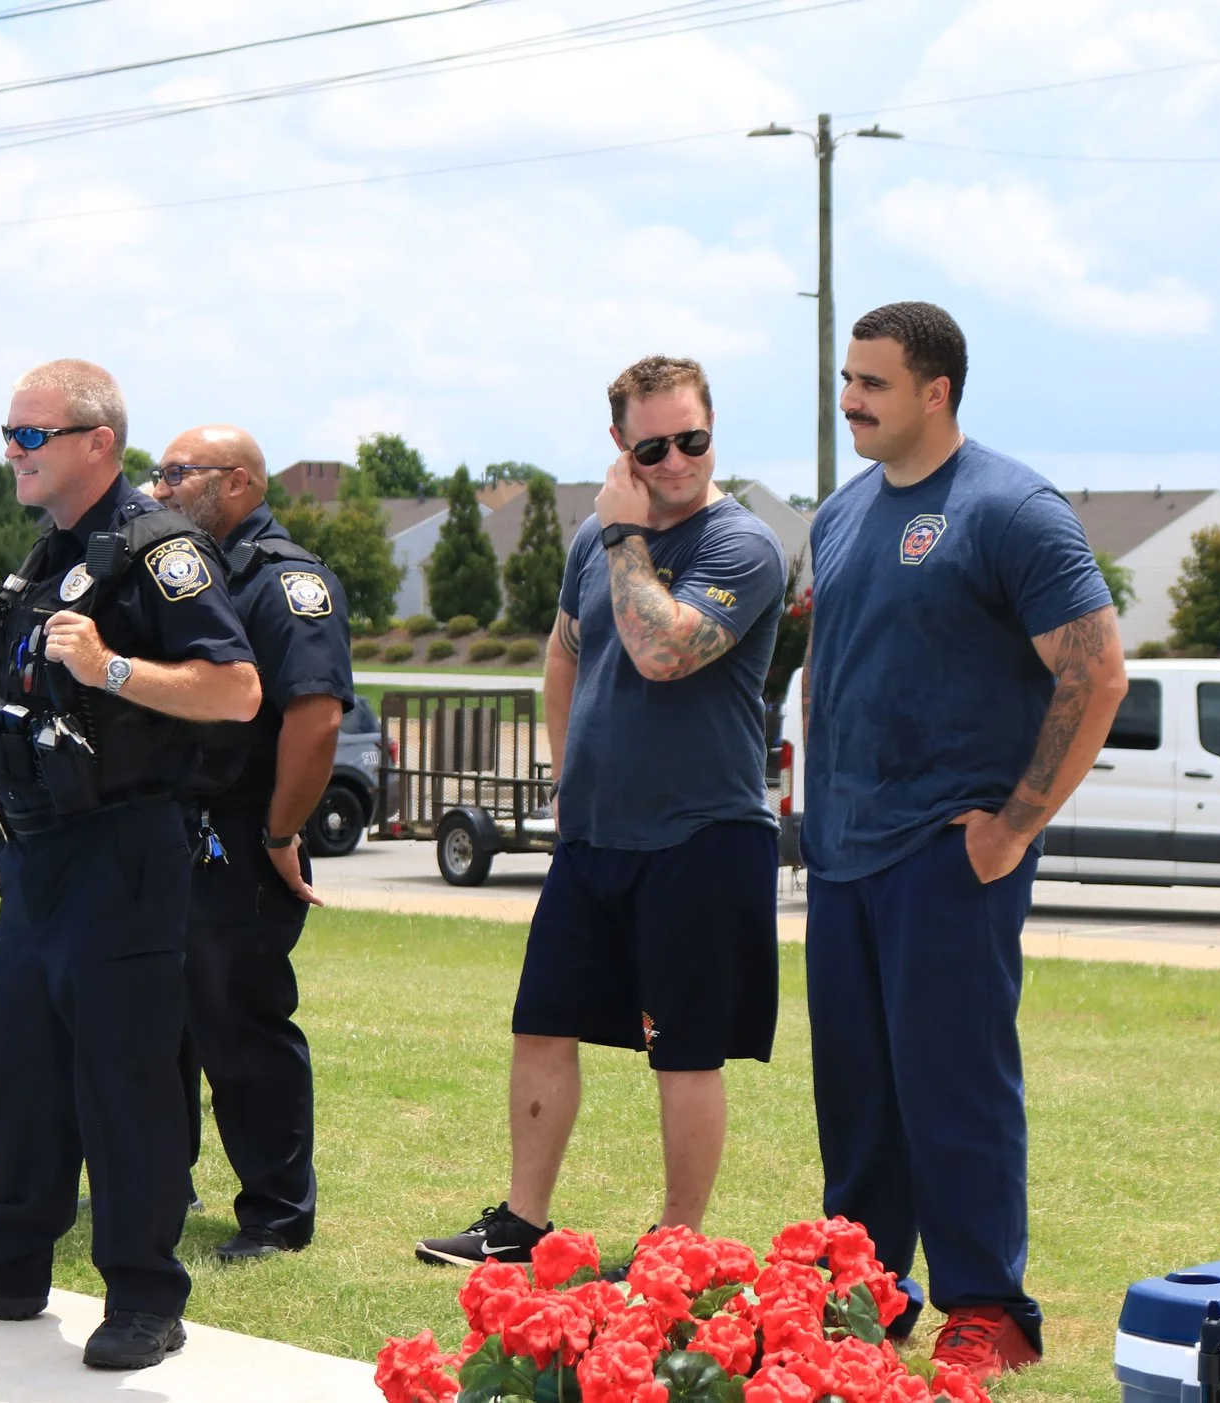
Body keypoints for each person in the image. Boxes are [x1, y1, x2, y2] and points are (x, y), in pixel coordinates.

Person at [0, 360, 261, 1372]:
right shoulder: (46, 556)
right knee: (26, 1063)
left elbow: (235, 689)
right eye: (9, 431)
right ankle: (8, 1260)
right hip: (37, 850)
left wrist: (111, 666)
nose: (12, 450)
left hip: (124, 849)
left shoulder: (161, 551)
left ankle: (144, 1294)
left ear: (99, 442)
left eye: (30, 434)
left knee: (124, 1077)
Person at [801, 303, 1125, 1383]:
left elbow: (1096, 672)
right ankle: (864, 1299)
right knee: (857, 1100)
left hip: (947, 859)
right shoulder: (840, 515)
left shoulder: (1011, 508)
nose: (849, 400)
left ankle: (991, 1308)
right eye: (847, 379)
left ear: (935, 391)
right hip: (842, 857)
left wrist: (1013, 825)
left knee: (955, 1090)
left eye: (873, 383)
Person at [416, 354, 786, 1268]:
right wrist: (566, 768)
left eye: (692, 440)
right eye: (652, 447)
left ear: (713, 431)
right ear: (620, 443)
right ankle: (522, 1222)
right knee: (541, 1022)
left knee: (683, 1049)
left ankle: (675, 1244)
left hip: (703, 833)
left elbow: (664, 650)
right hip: (594, 834)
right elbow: (564, 650)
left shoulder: (742, 545)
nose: (675, 461)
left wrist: (625, 535)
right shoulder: (593, 540)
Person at [147, 423, 351, 1263]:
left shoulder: (286, 581)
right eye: (156, 472)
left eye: (176, 473)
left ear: (236, 483)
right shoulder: (187, 572)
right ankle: (162, 1180)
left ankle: (275, 1212)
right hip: (172, 825)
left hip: (240, 829)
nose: (159, 488)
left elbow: (316, 717)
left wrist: (279, 830)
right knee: (163, 1017)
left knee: (239, 1020)